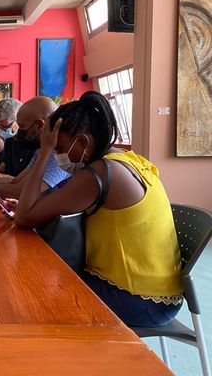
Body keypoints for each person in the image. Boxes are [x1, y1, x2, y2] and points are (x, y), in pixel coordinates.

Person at [10, 91, 183, 327]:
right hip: (161, 292)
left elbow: (24, 217)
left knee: (38, 289)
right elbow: (43, 202)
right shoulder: (125, 159)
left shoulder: (99, 173)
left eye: (58, 149)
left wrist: (44, 152)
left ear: (82, 142)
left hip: (139, 298)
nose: (58, 155)